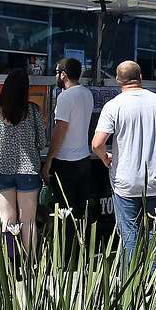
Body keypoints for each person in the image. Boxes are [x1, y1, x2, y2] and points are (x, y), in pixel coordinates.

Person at [91, 61, 156, 261]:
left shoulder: (114, 105)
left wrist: (105, 158)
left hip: (125, 181)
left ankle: (130, 284)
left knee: (129, 234)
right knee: (155, 232)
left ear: (118, 80)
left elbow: (97, 143)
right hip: (155, 181)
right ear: (140, 77)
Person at [0, 68, 48, 253]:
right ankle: (30, 266)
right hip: (28, 172)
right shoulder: (32, 111)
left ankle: (9, 267)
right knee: (29, 221)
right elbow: (42, 142)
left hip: (0, 171)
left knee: (7, 220)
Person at [43, 57, 95, 237]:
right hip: (83, 159)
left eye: (57, 72)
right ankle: (79, 250)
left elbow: (60, 131)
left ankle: (65, 254)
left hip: (66, 162)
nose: (56, 76)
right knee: (80, 210)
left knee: (65, 210)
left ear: (63, 75)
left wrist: (49, 159)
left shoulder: (65, 97)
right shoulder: (87, 93)